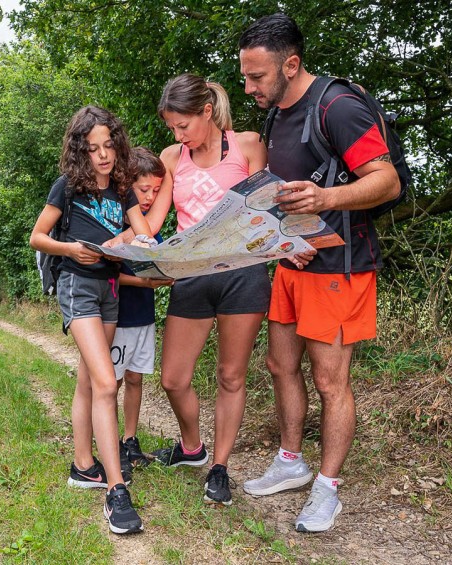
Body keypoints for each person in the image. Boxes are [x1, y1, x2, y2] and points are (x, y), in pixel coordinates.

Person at [238, 14, 402, 533]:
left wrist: (328, 198)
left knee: (331, 381)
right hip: (294, 261)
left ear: (292, 64)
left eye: (258, 76)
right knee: (280, 365)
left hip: (341, 268)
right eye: (244, 76)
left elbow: (387, 181)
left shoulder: (339, 107)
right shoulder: (277, 115)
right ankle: (291, 461)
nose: (249, 87)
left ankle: (327, 488)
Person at [109, 74, 289, 506]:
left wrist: (289, 244)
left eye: (183, 125)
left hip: (243, 275)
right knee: (173, 378)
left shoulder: (246, 146)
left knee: (230, 375)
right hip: (191, 275)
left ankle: (220, 467)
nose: (178, 135)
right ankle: (193, 447)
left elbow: (267, 214)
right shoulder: (173, 157)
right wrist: (117, 243)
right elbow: (151, 224)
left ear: (207, 112)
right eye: (172, 127)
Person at [29, 105, 154, 535]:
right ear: (81, 150)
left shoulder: (122, 191)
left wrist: (122, 239)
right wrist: (72, 251)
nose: (102, 156)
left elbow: (143, 232)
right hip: (78, 286)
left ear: (118, 145)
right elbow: (38, 236)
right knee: (106, 383)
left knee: (88, 379)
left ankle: (83, 466)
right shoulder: (67, 187)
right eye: (93, 148)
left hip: (111, 289)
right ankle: (116, 491)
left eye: (108, 146)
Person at [112, 147, 173, 469]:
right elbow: (105, 275)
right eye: (144, 189)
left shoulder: (150, 229)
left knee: (136, 379)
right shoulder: (111, 225)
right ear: (127, 187)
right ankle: (111, 444)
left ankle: (130, 439)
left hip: (144, 317)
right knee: (114, 381)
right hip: (117, 318)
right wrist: (143, 283)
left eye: (157, 191)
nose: (150, 197)